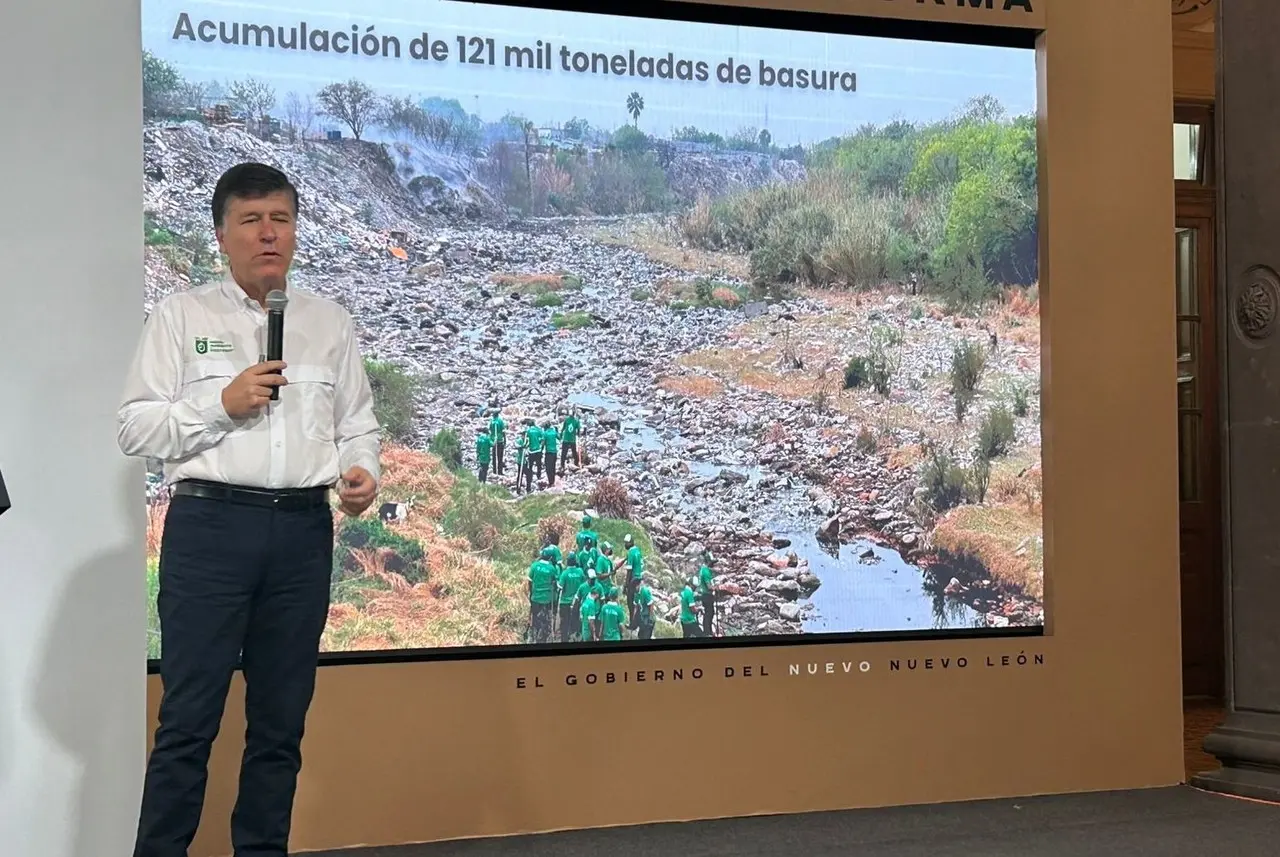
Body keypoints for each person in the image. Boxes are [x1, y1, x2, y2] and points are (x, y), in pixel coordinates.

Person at [117, 162, 381, 857]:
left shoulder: (329, 322)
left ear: (296, 231)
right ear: (221, 235)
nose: (269, 234)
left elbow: (358, 421)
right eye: (252, 220)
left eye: (282, 219)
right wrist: (220, 404)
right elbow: (135, 427)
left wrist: (362, 471)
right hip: (210, 528)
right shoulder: (181, 316)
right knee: (187, 723)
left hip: (301, 531)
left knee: (279, 726)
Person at [527, 547, 558, 644]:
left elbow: (530, 581)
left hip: (535, 597)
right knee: (546, 618)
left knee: (535, 616)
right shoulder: (552, 568)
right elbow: (554, 582)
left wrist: (531, 592)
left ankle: (534, 635)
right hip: (547, 599)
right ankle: (544, 637)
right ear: (550, 558)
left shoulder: (534, 566)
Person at [556, 554, 586, 642]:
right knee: (576, 621)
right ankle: (576, 639)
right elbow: (584, 584)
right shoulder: (580, 571)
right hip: (577, 602)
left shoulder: (565, 573)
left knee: (565, 622)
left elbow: (560, 587)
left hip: (565, 602)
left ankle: (564, 640)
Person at [623, 534, 643, 629]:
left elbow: (629, 570)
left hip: (633, 579)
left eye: (627, 543)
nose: (625, 544)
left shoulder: (630, 553)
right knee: (636, 601)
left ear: (631, 543)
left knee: (630, 602)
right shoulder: (638, 550)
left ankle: (632, 624)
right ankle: (637, 621)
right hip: (639, 578)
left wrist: (626, 585)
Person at [633, 576, 656, 640]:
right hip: (642, 619)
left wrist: (650, 618)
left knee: (646, 637)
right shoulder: (636, 593)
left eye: (635, 587)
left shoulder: (645, 591)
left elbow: (651, 605)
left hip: (648, 619)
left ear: (638, 585)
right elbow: (636, 606)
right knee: (640, 636)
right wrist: (634, 619)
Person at [698, 562, 716, 636]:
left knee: (709, 612)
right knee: (709, 613)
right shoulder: (706, 572)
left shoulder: (703, 570)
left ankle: (708, 631)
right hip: (707, 595)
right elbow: (709, 586)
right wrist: (716, 588)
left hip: (705, 595)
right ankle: (707, 632)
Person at [541, 419, 559, 487]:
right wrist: (557, 431)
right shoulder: (554, 432)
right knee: (553, 467)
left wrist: (541, 450)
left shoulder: (545, 433)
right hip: (555, 452)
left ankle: (550, 482)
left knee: (548, 468)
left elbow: (543, 443)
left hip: (548, 453)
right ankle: (553, 481)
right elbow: (559, 437)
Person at [489, 406, 506, 475]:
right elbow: (503, 431)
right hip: (499, 440)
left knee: (494, 456)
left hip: (493, 441)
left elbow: (490, 430)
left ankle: (494, 470)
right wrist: (505, 439)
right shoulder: (500, 421)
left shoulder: (491, 421)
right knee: (500, 456)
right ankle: (500, 471)